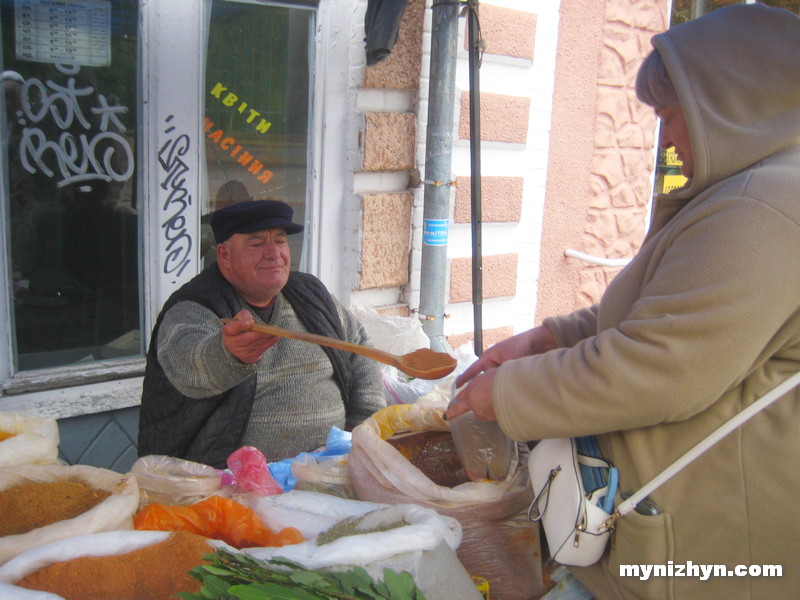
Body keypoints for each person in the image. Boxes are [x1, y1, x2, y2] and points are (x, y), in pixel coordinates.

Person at [446, 5, 800, 600]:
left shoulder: (760, 208)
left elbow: (661, 366)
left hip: (705, 552)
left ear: (728, 107)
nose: (668, 139)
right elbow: (670, 309)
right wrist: (550, 337)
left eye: (671, 116)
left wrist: (503, 394)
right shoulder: (753, 190)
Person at [138, 199, 386, 468]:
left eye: (280, 241)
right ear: (224, 255)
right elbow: (188, 367)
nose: (273, 254)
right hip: (236, 486)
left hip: (333, 468)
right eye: (256, 244)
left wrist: (364, 431)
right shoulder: (195, 306)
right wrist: (227, 355)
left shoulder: (311, 294)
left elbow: (360, 351)